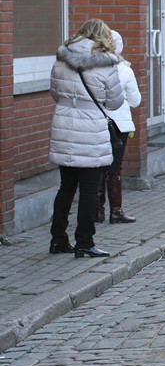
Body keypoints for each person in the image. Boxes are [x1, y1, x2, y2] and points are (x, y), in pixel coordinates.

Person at [49, 19, 125, 258]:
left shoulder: (61, 61)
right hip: (91, 130)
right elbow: (115, 102)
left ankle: (58, 239)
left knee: (66, 187)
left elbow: (54, 92)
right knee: (90, 190)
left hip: (63, 125)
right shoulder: (106, 65)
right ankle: (84, 242)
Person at [97, 30, 142, 224]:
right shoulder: (124, 70)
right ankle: (116, 211)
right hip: (120, 125)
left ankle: (97, 210)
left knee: (98, 167)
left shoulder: (92, 68)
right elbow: (135, 101)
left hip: (98, 123)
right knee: (115, 169)